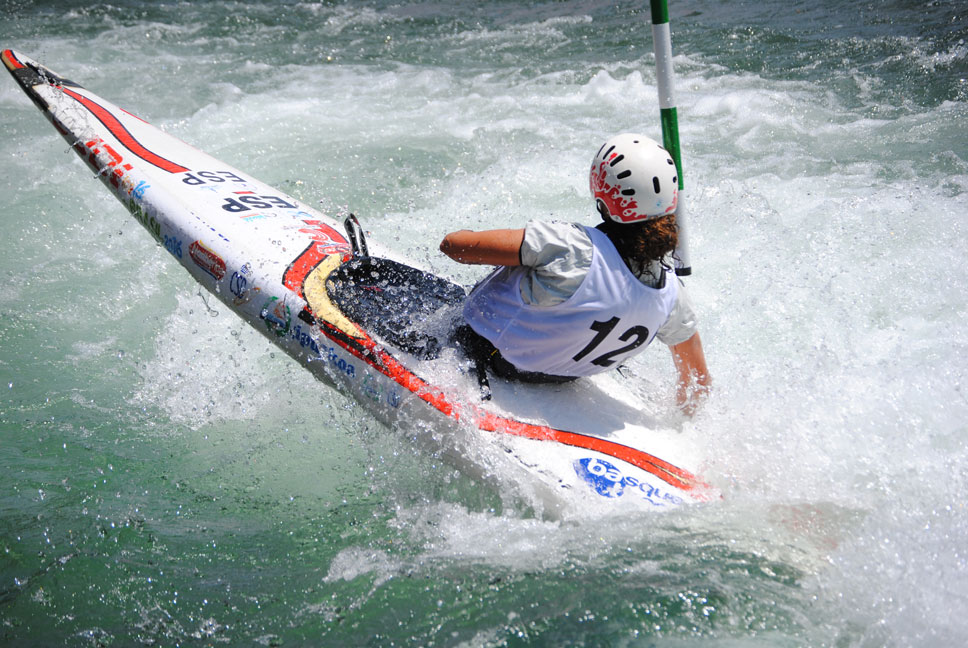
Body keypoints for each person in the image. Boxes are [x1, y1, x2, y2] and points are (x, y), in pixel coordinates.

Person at [439, 133, 710, 415]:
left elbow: (454, 247)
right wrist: (680, 425)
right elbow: (697, 381)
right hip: (563, 376)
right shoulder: (672, 295)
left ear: (602, 195)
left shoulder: (568, 247)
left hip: (486, 354)